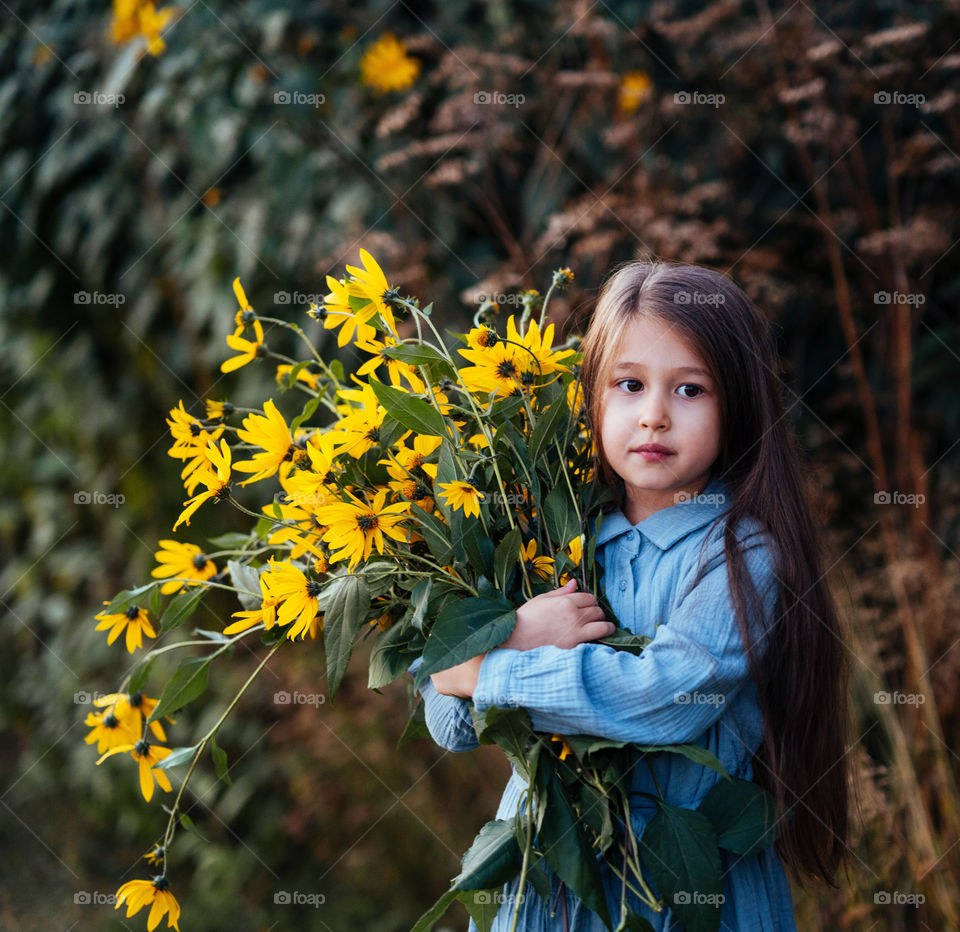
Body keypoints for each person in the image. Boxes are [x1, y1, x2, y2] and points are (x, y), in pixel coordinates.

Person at [412, 259, 854, 930]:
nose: (653, 417)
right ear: (592, 396)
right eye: (629, 384)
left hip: (681, 891)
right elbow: (449, 715)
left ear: (736, 404)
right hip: (547, 880)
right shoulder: (547, 532)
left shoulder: (741, 556)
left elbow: (667, 697)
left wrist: (491, 669)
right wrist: (515, 633)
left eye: (690, 390)